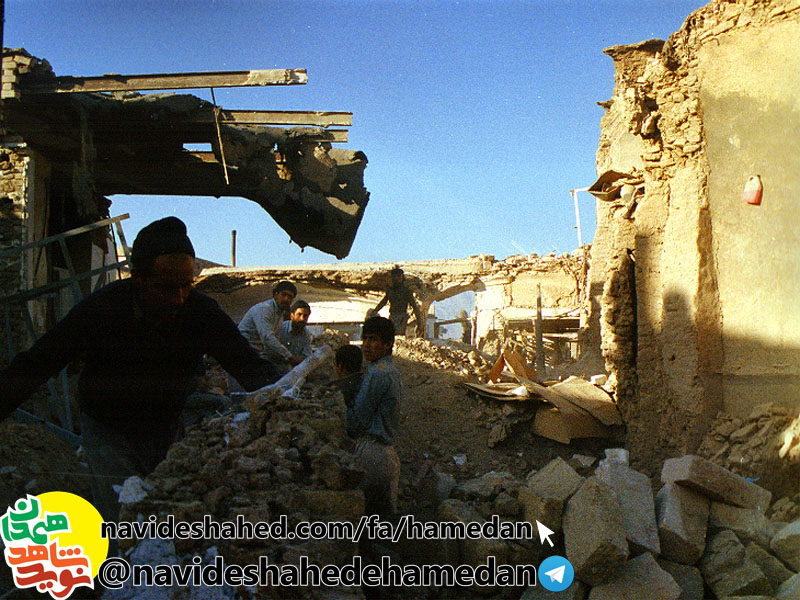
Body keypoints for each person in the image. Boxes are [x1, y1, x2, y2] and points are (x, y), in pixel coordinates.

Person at [0, 216, 281, 525]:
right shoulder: (102, 309)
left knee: (164, 516)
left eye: (186, 286)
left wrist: (287, 395)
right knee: (122, 520)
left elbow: (247, 364)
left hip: (165, 428)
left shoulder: (200, 312)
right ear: (138, 279)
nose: (179, 298)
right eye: (166, 288)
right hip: (109, 431)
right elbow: (39, 362)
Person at [346, 317, 401, 519]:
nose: (367, 345)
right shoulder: (391, 371)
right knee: (383, 524)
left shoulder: (377, 374)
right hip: (387, 455)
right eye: (365, 339)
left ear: (387, 344)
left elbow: (356, 421)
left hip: (370, 453)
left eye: (373, 339)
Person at [238, 280, 301, 367]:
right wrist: (289, 356)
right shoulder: (264, 309)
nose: (286, 299)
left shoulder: (279, 314)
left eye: (290, 297)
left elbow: (274, 340)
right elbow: (267, 338)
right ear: (275, 295)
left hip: (255, 353)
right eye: (284, 295)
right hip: (241, 351)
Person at [370, 267, 422, 337]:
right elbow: (383, 302)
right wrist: (374, 312)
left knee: (399, 337)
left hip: (402, 318)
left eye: (398, 277)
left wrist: (419, 322)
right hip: (392, 317)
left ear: (402, 278)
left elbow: (414, 306)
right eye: (394, 277)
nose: (396, 279)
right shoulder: (390, 291)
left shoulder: (406, 291)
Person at [276, 300, 313, 372]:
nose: (302, 319)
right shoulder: (281, 329)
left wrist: (292, 359)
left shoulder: (306, 335)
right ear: (292, 316)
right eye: (299, 314)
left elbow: (306, 358)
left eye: (305, 316)